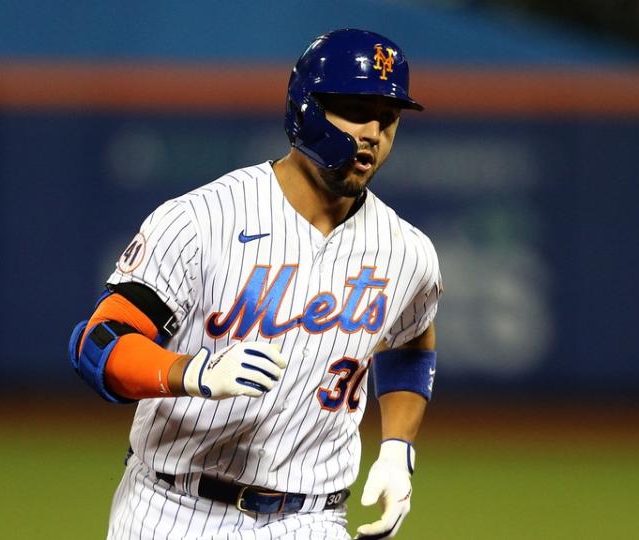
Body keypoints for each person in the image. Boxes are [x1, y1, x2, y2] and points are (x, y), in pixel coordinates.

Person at [68, 28, 442, 539]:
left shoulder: (408, 252)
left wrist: (398, 449)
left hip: (312, 519)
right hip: (172, 510)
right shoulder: (202, 220)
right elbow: (98, 345)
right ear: (305, 107)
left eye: (389, 116)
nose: (374, 132)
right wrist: (192, 372)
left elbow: (412, 339)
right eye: (356, 109)